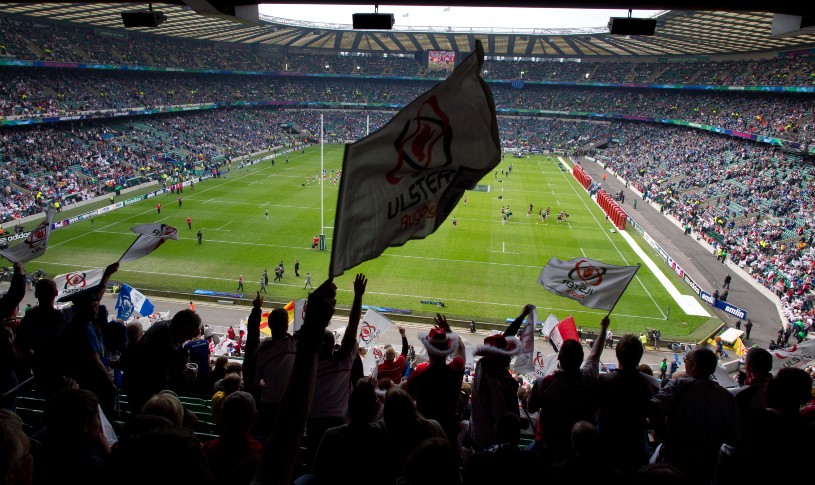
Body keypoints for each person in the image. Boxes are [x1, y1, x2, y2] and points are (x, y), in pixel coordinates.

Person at [648, 348, 739, 485]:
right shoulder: (726, 396)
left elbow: (654, 408)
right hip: (706, 465)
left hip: (675, 459)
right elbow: (732, 435)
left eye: (686, 360)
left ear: (694, 365)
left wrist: (664, 436)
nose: (684, 363)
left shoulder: (679, 385)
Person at [528, 316, 609, 465]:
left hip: (547, 447)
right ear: (581, 360)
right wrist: (604, 329)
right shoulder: (589, 377)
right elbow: (595, 355)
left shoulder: (543, 384)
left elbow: (531, 408)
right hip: (579, 449)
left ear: (559, 357)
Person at [304, 274, 367, 469]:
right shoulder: (343, 362)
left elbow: (307, 335)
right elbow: (353, 326)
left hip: (313, 423)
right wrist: (358, 296)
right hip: (340, 421)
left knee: (316, 462)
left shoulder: (307, 366)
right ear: (333, 347)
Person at [595, 334, 660, 477]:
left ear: (617, 355)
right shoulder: (651, 384)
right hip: (636, 445)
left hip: (606, 443)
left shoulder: (603, 381)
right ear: (640, 356)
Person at [122, 309, 203, 414]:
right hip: (144, 399)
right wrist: (183, 411)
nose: (190, 338)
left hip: (140, 391)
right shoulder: (162, 345)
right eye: (189, 333)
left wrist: (184, 366)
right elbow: (160, 387)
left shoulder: (165, 326)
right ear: (181, 327)